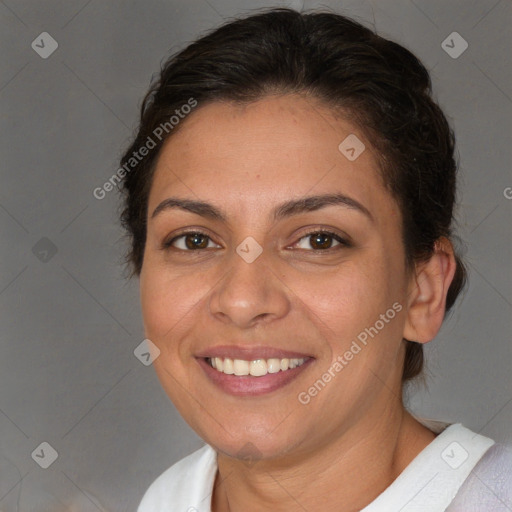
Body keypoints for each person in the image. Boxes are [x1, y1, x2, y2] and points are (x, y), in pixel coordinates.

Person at [118, 7, 512, 511]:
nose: (242, 300)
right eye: (195, 240)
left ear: (423, 290)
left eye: (319, 241)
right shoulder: (171, 499)